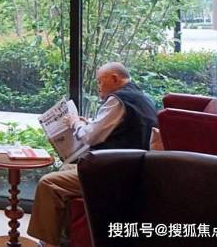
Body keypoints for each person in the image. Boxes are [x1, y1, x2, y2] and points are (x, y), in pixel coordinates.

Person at [27, 62, 158, 247]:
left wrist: (75, 123)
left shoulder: (118, 100)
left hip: (114, 172)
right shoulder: (142, 98)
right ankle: (66, 239)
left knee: (48, 183)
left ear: (114, 78)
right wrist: (87, 122)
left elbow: (89, 136)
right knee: (65, 168)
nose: (98, 87)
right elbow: (118, 129)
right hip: (134, 168)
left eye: (100, 82)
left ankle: (48, 243)